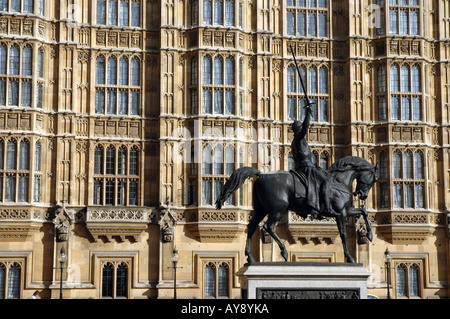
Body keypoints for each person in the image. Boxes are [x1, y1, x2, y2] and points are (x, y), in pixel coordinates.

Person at [291, 105, 332, 217]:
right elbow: (305, 127)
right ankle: (327, 209)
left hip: (300, 168)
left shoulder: (294, 142)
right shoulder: (299, 138)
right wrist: (308, 114)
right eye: (300, 127)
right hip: (307, 168)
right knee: (326, 181)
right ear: (298, 129)